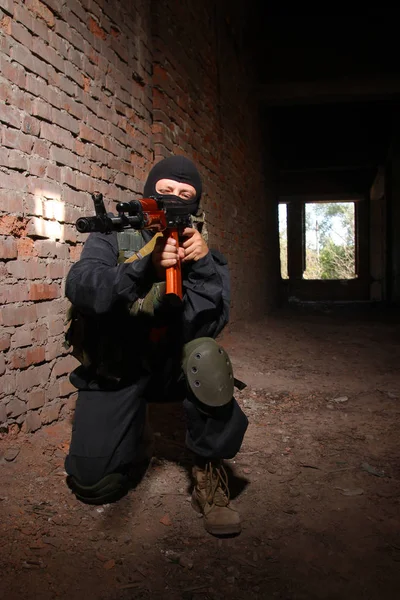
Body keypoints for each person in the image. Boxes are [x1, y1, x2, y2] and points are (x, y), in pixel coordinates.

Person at [64, 156, 248, 536]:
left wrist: (202, 268)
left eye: (186, 194)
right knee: (94, 485)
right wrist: (143, 269)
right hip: (122, 364)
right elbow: (81, 286)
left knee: (207, 356)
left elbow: (209, 323)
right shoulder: (113, 237)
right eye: (165, 191)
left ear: (196, 205)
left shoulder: (203, 253)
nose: (175, 199)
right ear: (149, 193)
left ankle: (208, 471)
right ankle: (137, 436)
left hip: (172, 366)